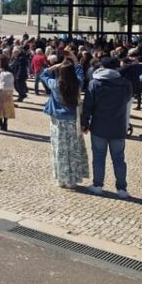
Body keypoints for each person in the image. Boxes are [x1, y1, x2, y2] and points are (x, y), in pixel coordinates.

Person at [81, 56, 133, 199]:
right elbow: (128, 98)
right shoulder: (125, 83)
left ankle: (98, 185)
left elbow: (88, 105)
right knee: (119, 158)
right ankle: (122, 188)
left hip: (99, 125)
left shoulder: (94, 83)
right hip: (118, 125)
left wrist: (84, 123)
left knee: (98, 156)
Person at [40, 53, 88, 188]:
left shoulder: (55, 84)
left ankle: (62, 178)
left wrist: (55, 66)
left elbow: (43, 75)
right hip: (73, 120)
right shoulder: (77, 83)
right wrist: (75, 60)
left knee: (60, 149)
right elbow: (80, 72)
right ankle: (73, 179)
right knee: (73, 150)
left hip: (58, 121)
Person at [0, 55, 15, 131]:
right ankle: (5, 124)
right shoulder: (10, 70)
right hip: (8, 91)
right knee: (7, 107)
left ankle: (0, 123)